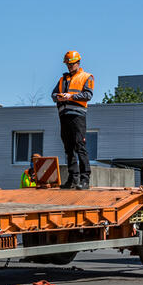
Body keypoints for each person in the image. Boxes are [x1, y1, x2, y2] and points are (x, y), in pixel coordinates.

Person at [51, 50, 94, 189]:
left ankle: (85, 179)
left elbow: (88, 95)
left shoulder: (86, 77)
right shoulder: (62, 79)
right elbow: (53, 94)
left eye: (71, 64)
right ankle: (73, 178)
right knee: (68, 148)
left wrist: (70, 96)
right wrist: (58, 97)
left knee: (79, 145)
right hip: (64, 116)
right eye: (68, 64)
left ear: (78, 62)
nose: (69, 66)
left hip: (77, 116)